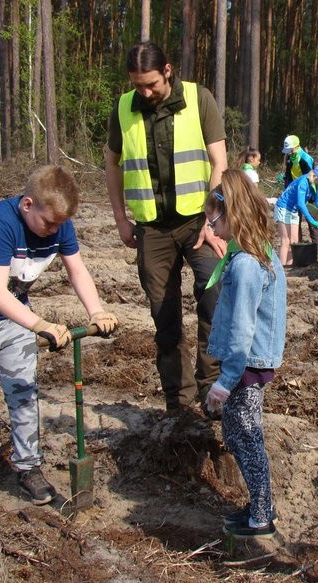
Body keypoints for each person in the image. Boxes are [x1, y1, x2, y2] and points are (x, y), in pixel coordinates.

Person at [0, 165, 119, 505]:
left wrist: (96, 311)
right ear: (27, 205)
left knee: (24, 394)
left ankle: (28, 468)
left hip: (14, 318)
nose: (54, 230)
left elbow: (77, 270)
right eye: (49, 222)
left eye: (59, 224)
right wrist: (39, 324)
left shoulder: (60, 226)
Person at [104, 41, 227, 411]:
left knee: (214, 300)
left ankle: (212, 391)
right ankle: (179, 400)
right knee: (165, 317)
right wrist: (121, 219)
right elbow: (113, 164)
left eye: (151, 84)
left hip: (198, 223)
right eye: (137, 85)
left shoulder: (199, 98)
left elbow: (218, 161)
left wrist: (212, 219)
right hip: (152, 231)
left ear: (168, 71)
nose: (144, 92)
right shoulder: (123, 108)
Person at [203, 169, 286, 539]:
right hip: (248, 362)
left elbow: (242, 329)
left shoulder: (247, 264)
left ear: (232, 214)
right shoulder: (253, 254)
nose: (210, 226)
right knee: (237, 433)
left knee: (246, 434)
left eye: (213, 218)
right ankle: (259, 506)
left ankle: (262, 515)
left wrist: (225, 380)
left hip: (247, 364)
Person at [273, 165, 318, 265]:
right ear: (314, 176)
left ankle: (290, 266)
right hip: (283, 208)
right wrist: (311, 220)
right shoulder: (303, 182)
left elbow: (317, 200)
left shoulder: (314, 184)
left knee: (294, 241)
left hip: (293, 210)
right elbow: (301, 204)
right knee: (286, 241)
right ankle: (282, 269)